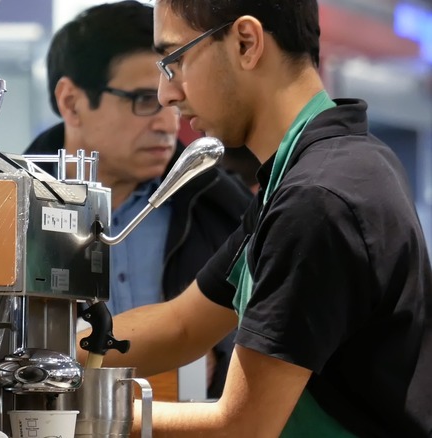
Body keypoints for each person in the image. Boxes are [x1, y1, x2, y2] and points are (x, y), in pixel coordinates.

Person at [77, 0, 432, 436]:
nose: (167, 94)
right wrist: (39, 354)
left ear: (246, 43)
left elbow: (243, 426)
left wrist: (82, 412)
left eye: (175, 61)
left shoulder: (317, 199)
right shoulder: (306, 175)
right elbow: (182, 326)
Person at [24, 0, 253, 398]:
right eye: (145, 101)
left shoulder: (215, 203)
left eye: (173, 100)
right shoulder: (11, 211)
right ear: (72, 102)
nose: (168, 123)